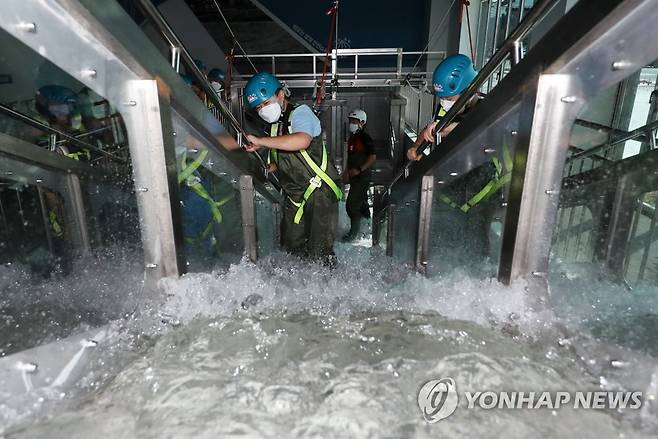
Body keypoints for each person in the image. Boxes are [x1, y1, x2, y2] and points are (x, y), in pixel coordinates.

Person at [407, 54, 510, 260]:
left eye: (449, 98)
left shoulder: (486, 106)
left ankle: (480, 276)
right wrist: (416, 147)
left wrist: (445, 129)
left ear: (468, 90)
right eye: (442, 98)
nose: (444, 103)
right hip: (462, 178)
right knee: (445, 226)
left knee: (476, 233)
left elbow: (479, 127)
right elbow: (432, 127)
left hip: (489, 183)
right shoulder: (448, 107)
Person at [243, 72, 342, 265]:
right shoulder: (274, 127)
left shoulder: (301, 113)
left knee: (319, 251)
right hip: (295, 195)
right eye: (259, 108)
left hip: (318, 191)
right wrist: (273, 166)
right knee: (292, 247)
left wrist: (262, 142)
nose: (263, 110)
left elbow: (302, 141)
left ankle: (326, 288)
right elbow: (286, 156)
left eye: (266, 103)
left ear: (280, 95)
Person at [341, 109, 376, 242]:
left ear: (362, 122)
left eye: (354, 121)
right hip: (354, 176)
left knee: (352, 205)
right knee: (362, 202)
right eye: (351, 121)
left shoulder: (364, 137)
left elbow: (372, 157)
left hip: (362, 176)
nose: (352, 123)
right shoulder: (353, 137)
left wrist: (359, 170)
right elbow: (350, 158)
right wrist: (346, 172)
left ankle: (353, 235)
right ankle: (367, 228)